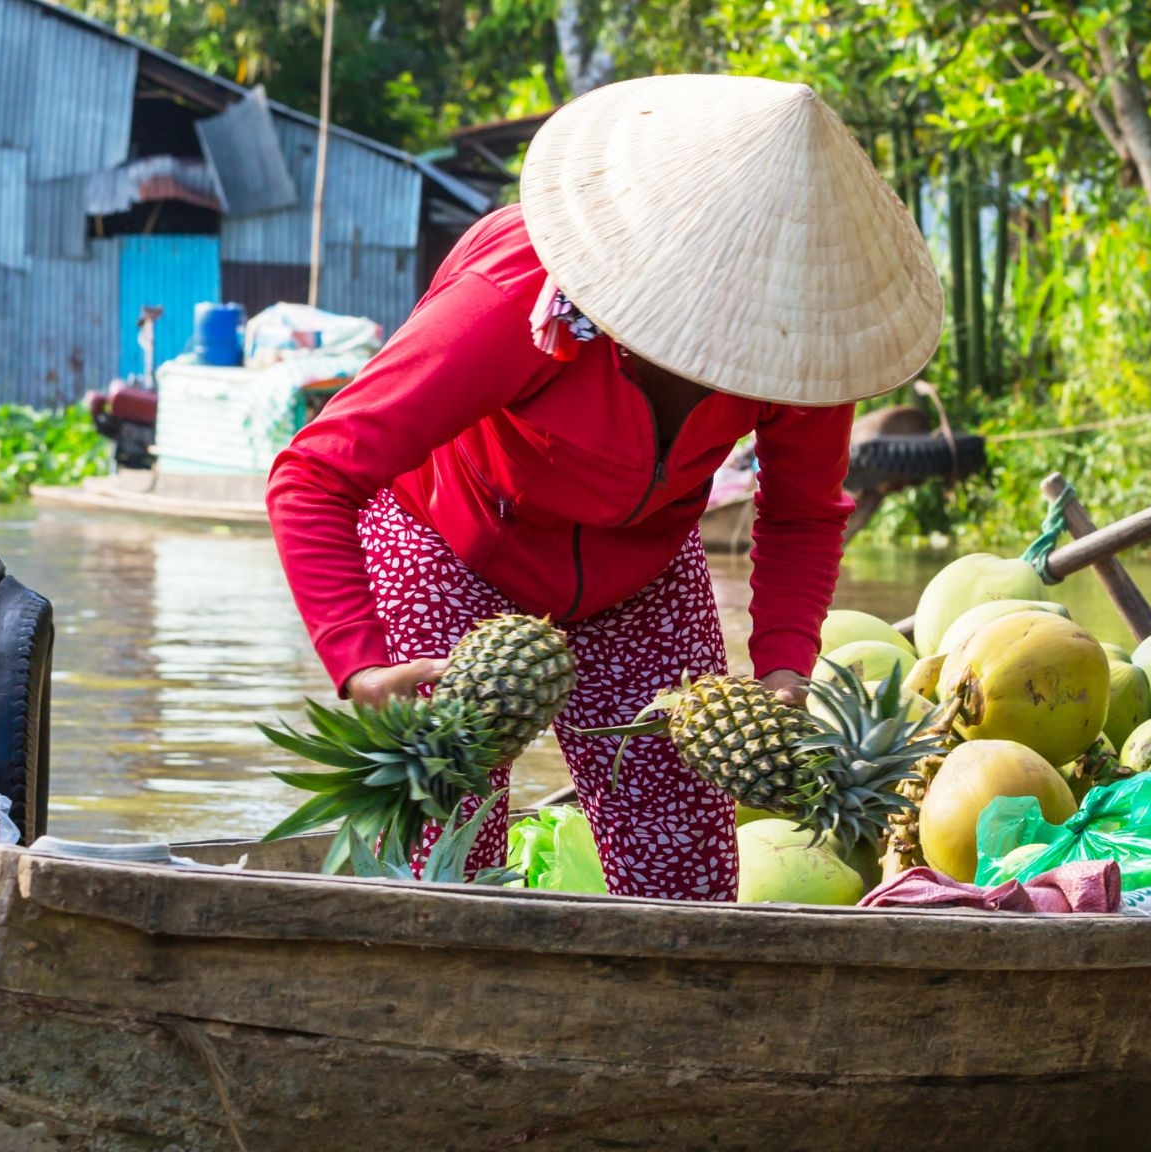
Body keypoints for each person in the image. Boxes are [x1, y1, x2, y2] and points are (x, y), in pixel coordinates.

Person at [265, 74, 942, 900]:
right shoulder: (511, 303)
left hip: (643, 567)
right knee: (449, 846)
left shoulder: (801, 348)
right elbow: (313, 473)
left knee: (683, 863)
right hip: (452, 539)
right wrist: (359, 664)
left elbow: (800, 513)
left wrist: (784, 666)